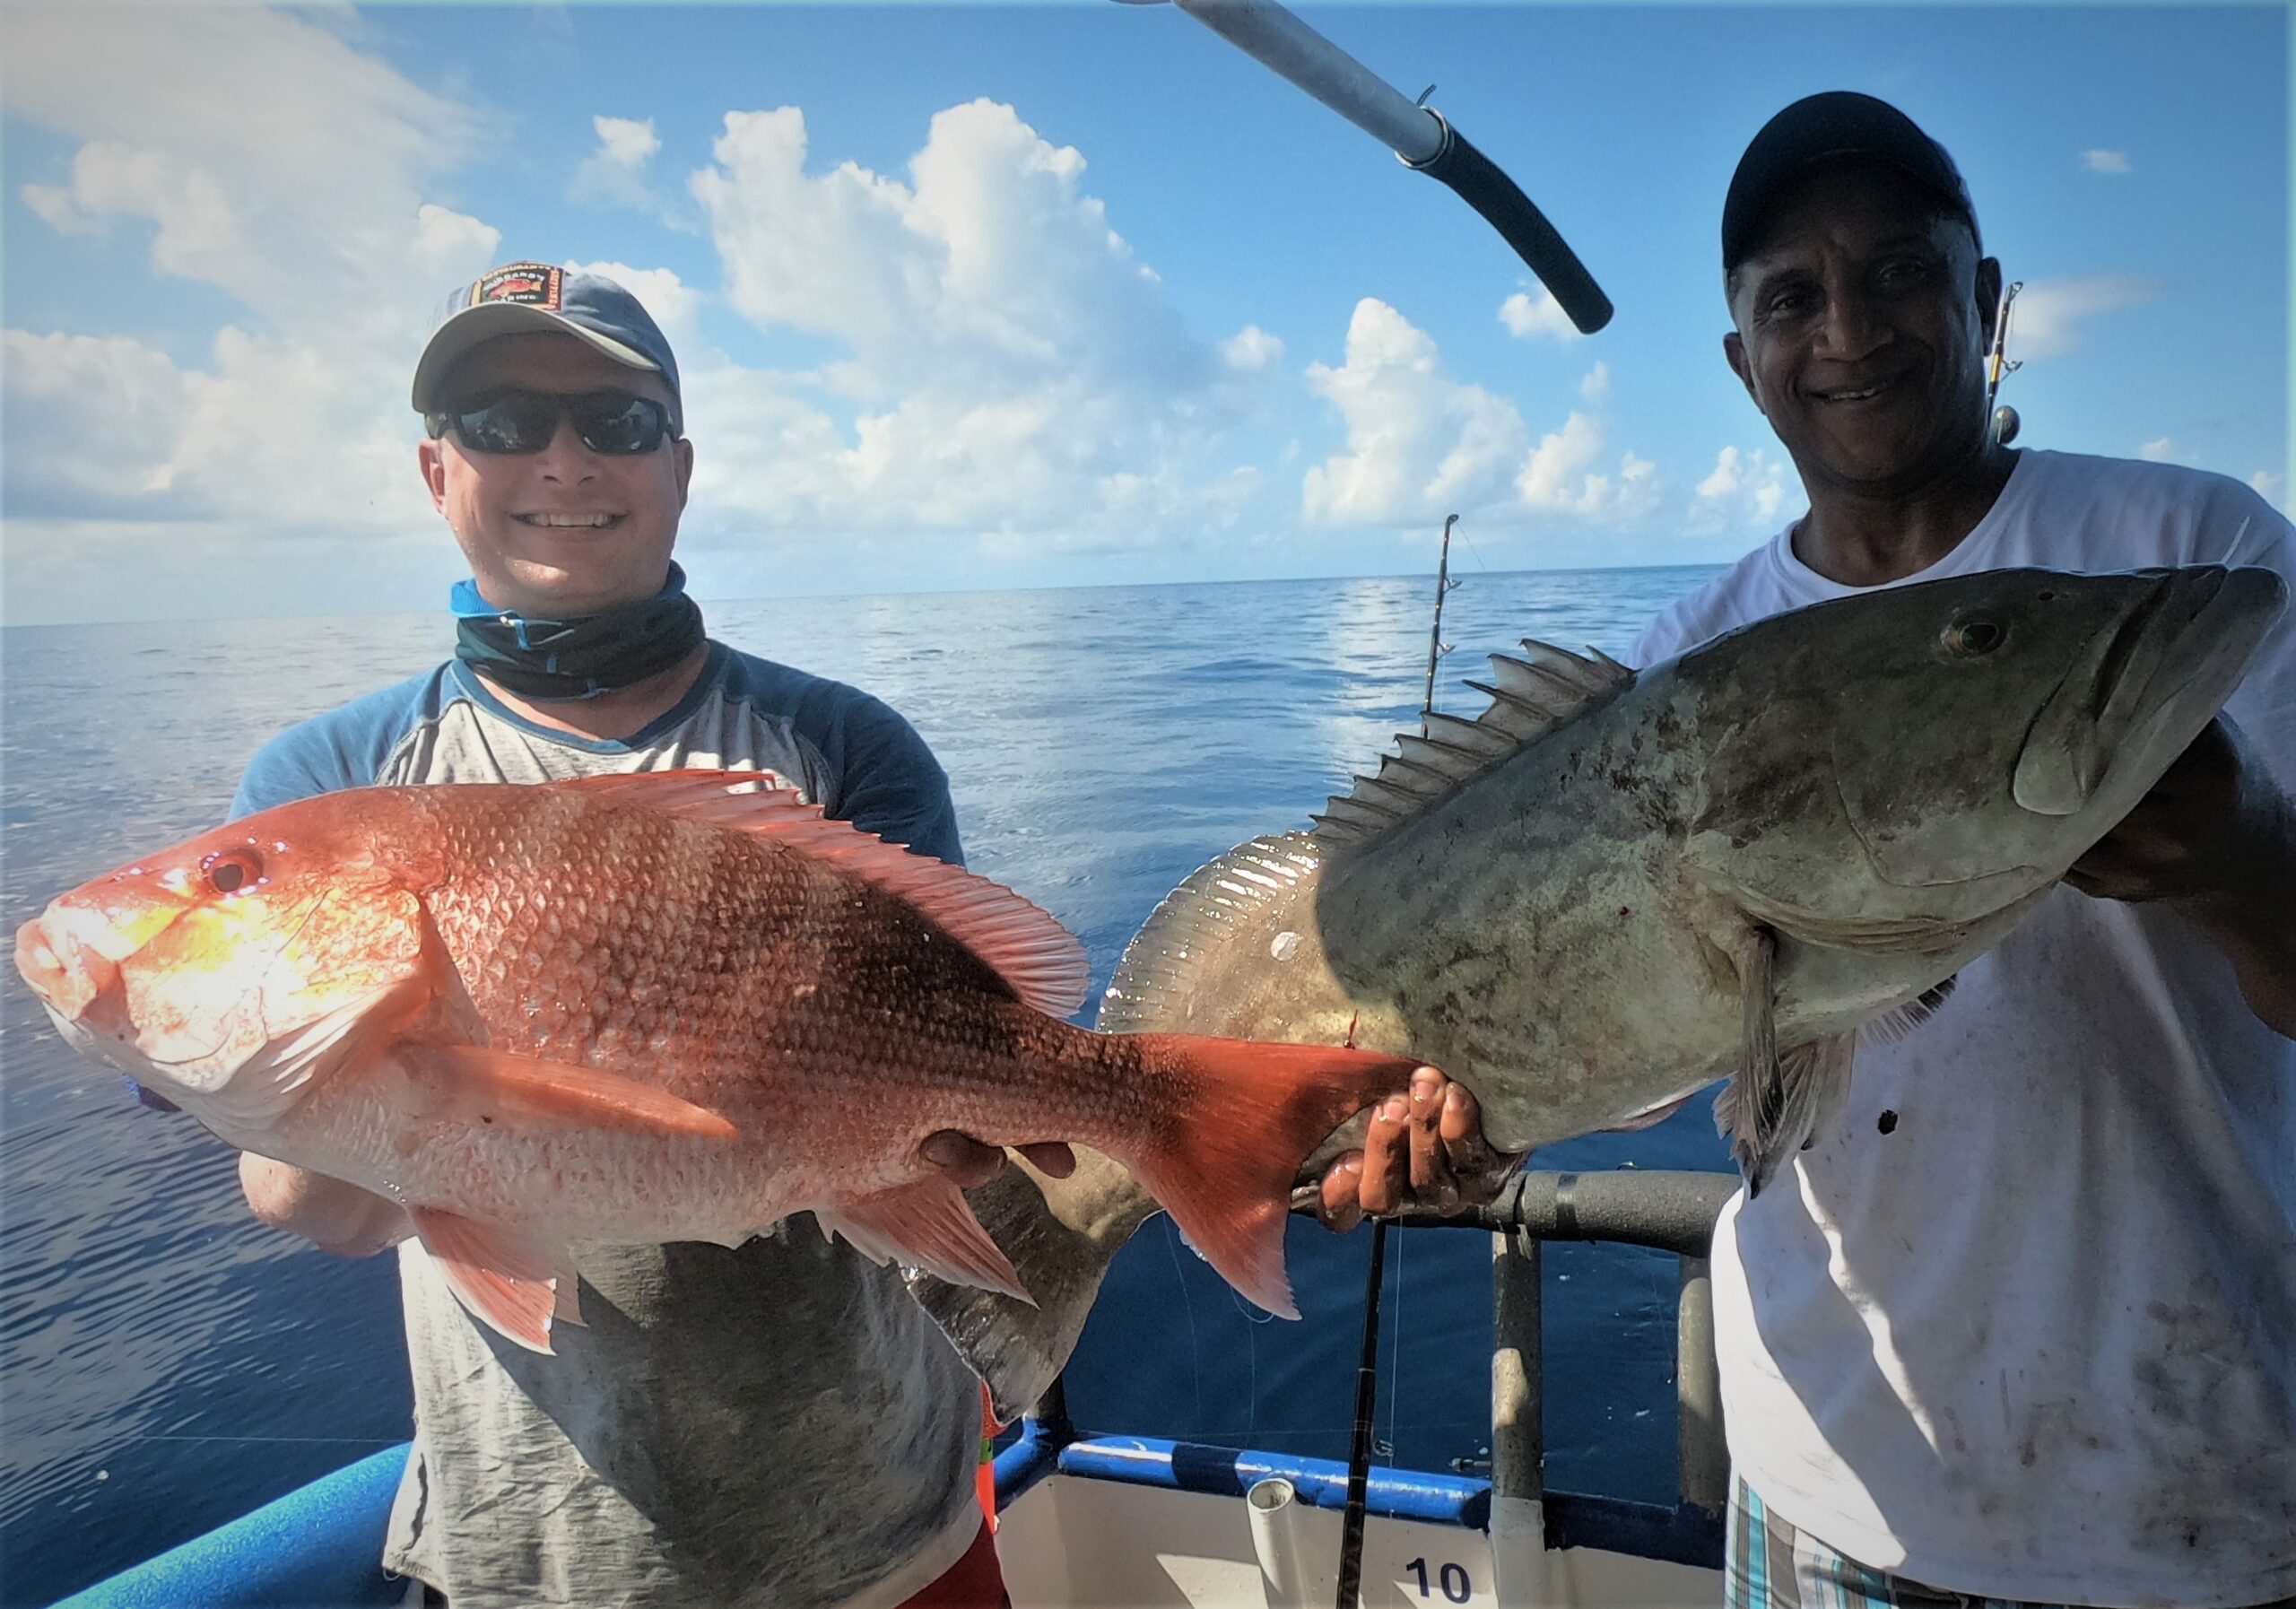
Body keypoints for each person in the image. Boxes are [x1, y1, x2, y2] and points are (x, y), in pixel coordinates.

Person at [232, 261, 1062, 1608]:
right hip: (537, 1564)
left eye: (612, 424)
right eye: (503, 422)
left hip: (884, 1529)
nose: (562, 459)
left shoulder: (843, 746)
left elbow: (966, 1070)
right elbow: (309, 1203)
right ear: (434, 471)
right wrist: (349, 1121)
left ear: (679, 467)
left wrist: (932, 1133)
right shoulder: (332, 785)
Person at [1625, 93, 2293, 1608]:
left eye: (1903, 271)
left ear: (1988, 300)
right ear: (1746, 365)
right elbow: (1636, 1047)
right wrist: (1439, 1113)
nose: (1849, 327)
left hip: (2192, 1492)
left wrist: (2249, 846)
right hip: (1825, 1494)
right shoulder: (1682, 666)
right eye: (1792, 296)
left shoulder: (2200, 556)